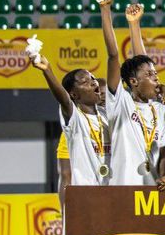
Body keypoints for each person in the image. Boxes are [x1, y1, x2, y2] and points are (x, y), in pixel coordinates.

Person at [98, 0, 165, 187]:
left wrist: (134, 25)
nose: (156, 79)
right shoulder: (120, 102)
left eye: (156, 74)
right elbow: (113, 55)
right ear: (133, 82)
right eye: (150, 76)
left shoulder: (161, 110)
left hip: (154, 190)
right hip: (122, 189)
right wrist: (106, 10)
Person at [32, 54, 109, 187]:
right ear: (74, 94)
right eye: (85, 82)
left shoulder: (107, 117)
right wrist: (47, 70)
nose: (93, 82)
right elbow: (65, 101)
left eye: (93, 78)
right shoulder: (75, 120)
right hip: (85, 193)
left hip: (115, 191)